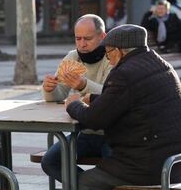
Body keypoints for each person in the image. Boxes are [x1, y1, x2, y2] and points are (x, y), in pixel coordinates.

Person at [66, 24, 181, 190]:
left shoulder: (124, 73)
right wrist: (95, 98)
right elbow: (135, 100)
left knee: (85, 181)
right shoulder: (161, 65)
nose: (108, 58)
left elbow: (94, 119)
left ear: (119, 51)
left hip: (144, 165)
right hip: (173, 162)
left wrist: (73, 104)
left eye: (108, 53)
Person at [41, 14, 113, 183]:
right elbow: (58, 95)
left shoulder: (112, 56)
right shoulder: (73, 57)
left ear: (102, 36)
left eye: (87, 38)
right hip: (83, 132)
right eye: (78, 38)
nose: (82, 44)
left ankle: (90, 185)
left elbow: (113, 95)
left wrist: (83, 85)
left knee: (115, 169)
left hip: (112, 133)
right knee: (50, 162)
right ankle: (88, 186)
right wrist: (49, 89)